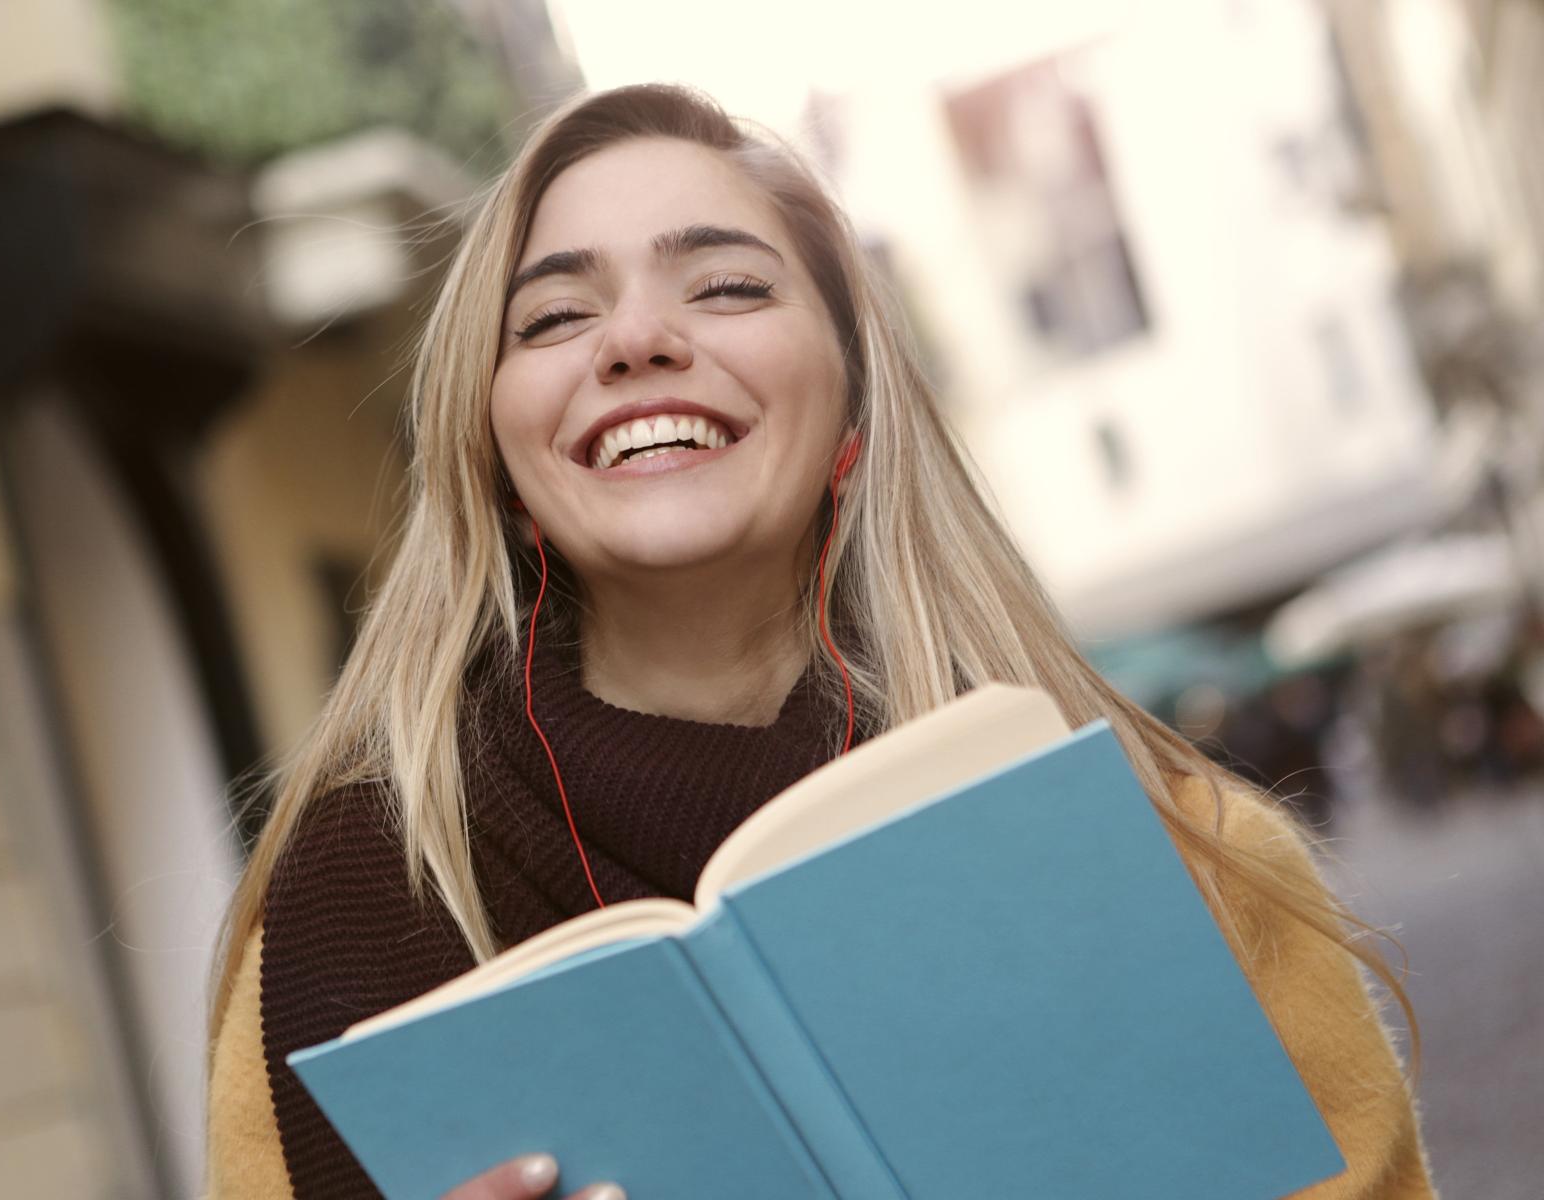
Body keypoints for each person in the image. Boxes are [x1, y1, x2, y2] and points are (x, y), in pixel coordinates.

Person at [204, 84, 1437, 1200]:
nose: (634, 341)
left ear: (853, 405)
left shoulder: (1187, 864)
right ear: (502, 456)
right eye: (555, 315)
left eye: (729, 286)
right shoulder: (338, 922)